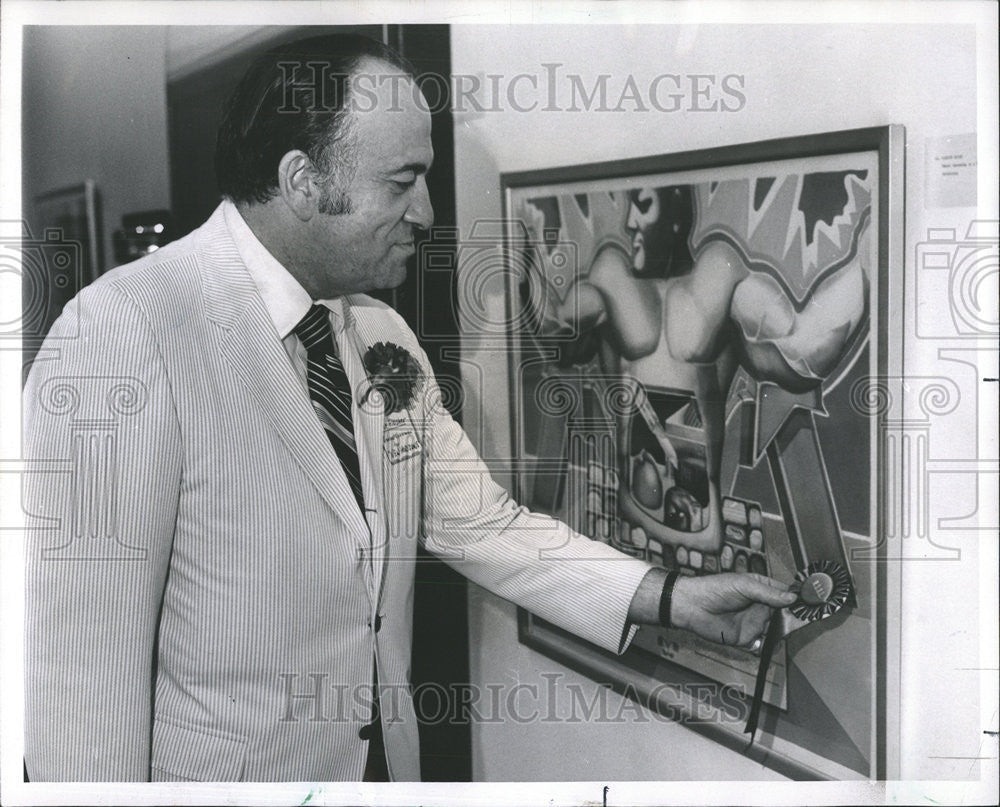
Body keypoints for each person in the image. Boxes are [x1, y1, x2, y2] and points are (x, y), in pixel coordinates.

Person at [23, 34, 796, 783]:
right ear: (302, 181)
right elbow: (80, 680)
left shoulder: (378, 332)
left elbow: (484, 525)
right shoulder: (124, 333)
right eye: (402, 181)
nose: (426, 210)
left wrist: (671, 595)